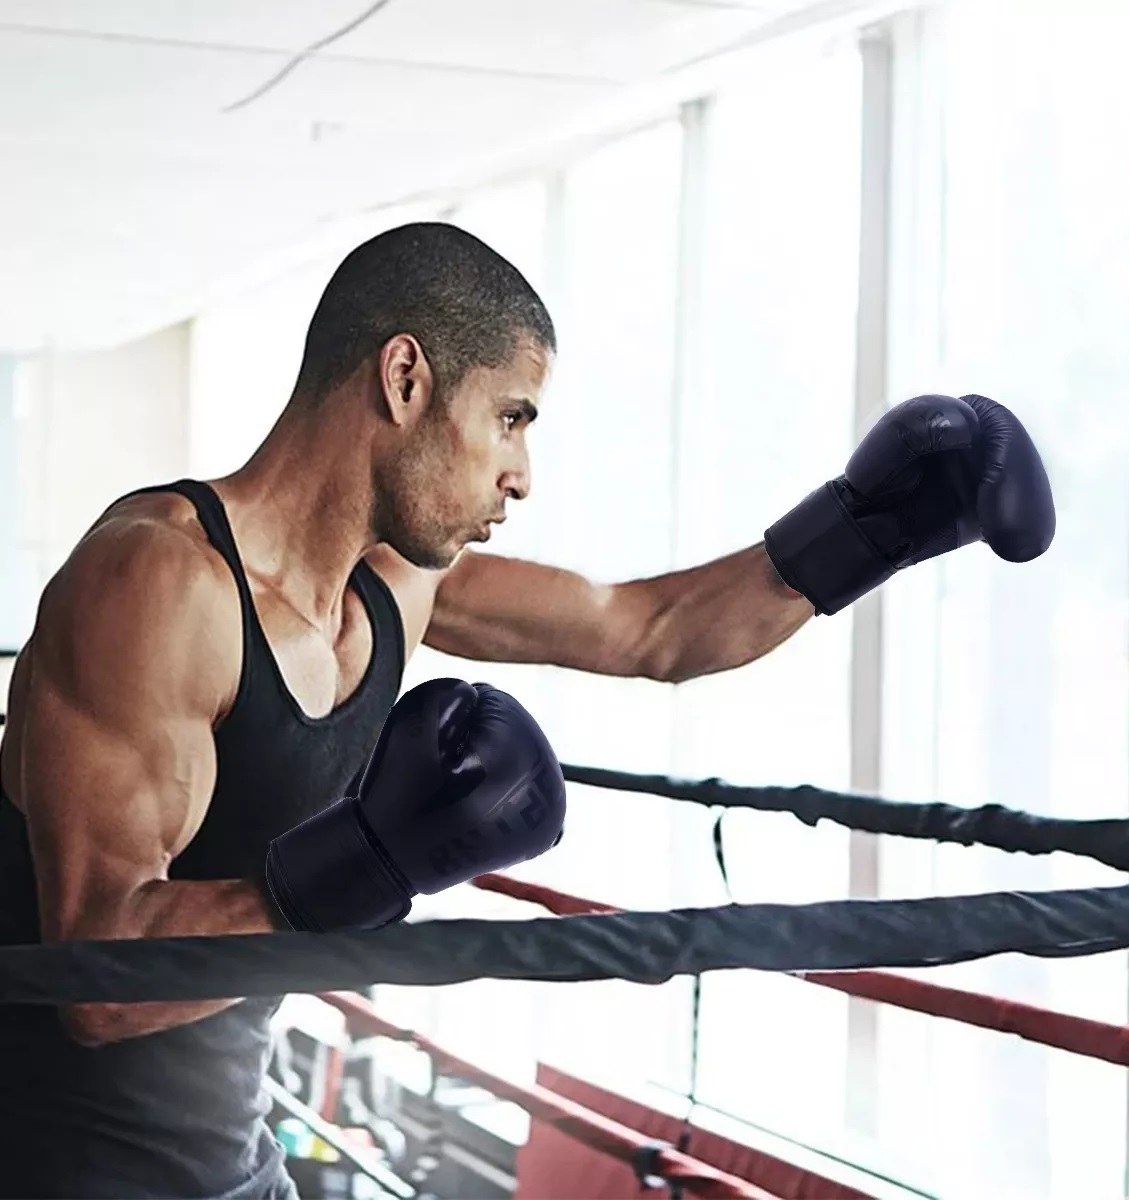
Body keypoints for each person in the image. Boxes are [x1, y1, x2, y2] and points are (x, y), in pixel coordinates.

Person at [0, 222, 1054, 1197]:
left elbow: (653, 630)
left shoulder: (393, 589)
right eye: (510, 418)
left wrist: (871, 532)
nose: (521, 473)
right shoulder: (157, 585)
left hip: (233, 1166)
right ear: (406, 377)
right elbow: (101, 981)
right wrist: (367, 859)